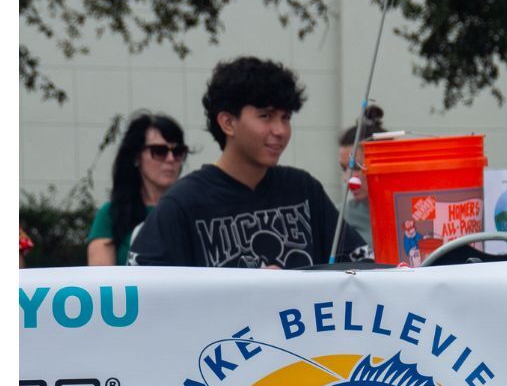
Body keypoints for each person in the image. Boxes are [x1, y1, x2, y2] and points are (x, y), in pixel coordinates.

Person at [129, 57, 366, 267]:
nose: (281, 130)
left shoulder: (303, 189)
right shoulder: (182, 203)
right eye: (266, 116)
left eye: (286, 118)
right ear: (227, 123)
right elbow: (142, 292)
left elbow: (361, 265)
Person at [86, 112, 188, 266]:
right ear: (136, 156)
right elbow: (102, 283)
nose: (170, 159)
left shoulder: (192, 209)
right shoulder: (111, 214)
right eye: (159, 151)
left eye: (178, 151)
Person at [338, 105, 386, 249]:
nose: (347, 178)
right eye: (343, 168)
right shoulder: (338, 216)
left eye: (356, 167)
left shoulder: (414, 209)